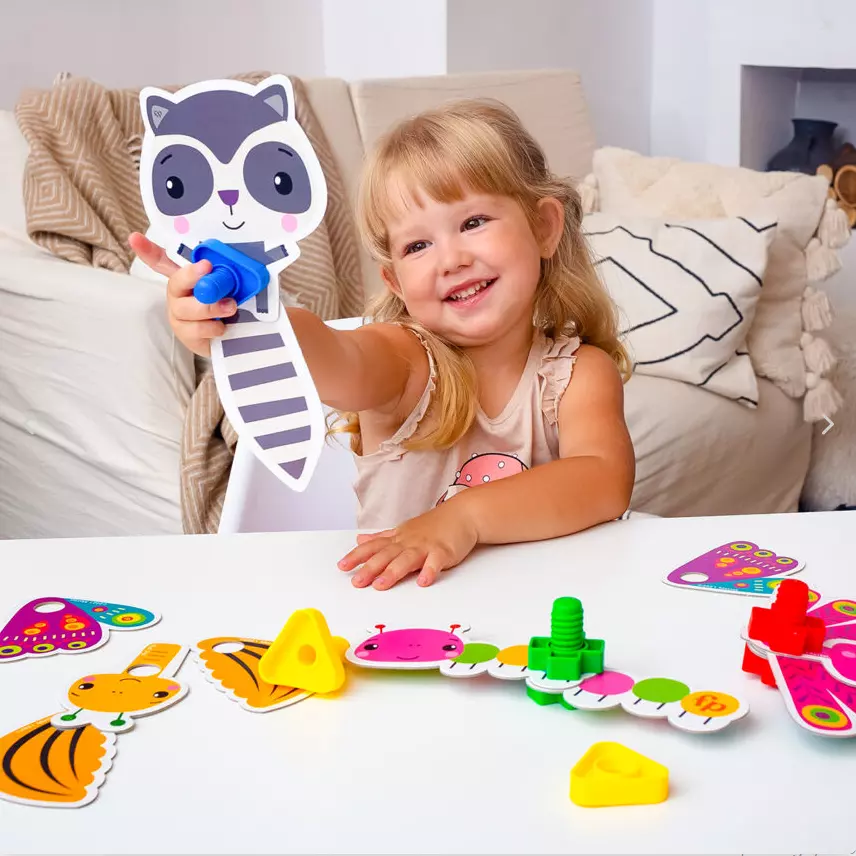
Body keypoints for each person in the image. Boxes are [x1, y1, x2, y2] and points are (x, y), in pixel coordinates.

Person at [129, 98, 635, 592]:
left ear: (544, 227)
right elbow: (333, 355)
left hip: (543, 616)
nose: (451, 260)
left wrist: (464, 517)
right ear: (395, 281)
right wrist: (250, 317)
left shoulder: (577, 374)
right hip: (402, 618)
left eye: (473, 223)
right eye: (418, 246)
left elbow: (604, 479)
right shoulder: (406, 363)